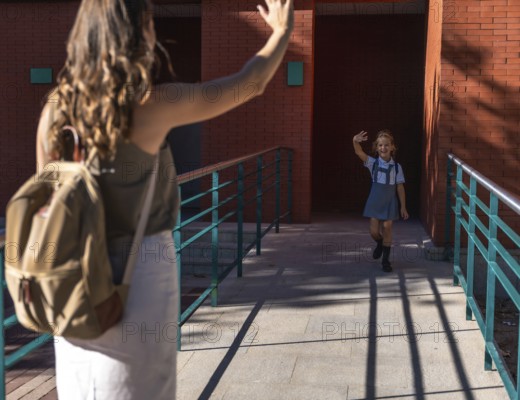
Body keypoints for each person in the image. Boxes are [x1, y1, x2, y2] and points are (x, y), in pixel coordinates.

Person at [34, 0, 294, 398]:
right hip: (138, 274)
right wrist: (280, 33)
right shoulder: (147, 106)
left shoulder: (54, 108)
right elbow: (249, 83)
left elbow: (48, 197)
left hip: (69, 275)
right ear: (139, 35)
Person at [352, 129, 409, 272]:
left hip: (390, 200)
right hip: (375, 199)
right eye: (380, 145)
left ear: (392, 147)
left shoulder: (397, 167)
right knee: (373, 231)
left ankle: (385, 260)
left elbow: (400, 187)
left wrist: (403, 207)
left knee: (388, 228)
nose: (383, 148)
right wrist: (355, 140)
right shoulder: (373, 163)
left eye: (386, 145)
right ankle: (379, 243)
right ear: (377, 148)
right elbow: (359, 153)